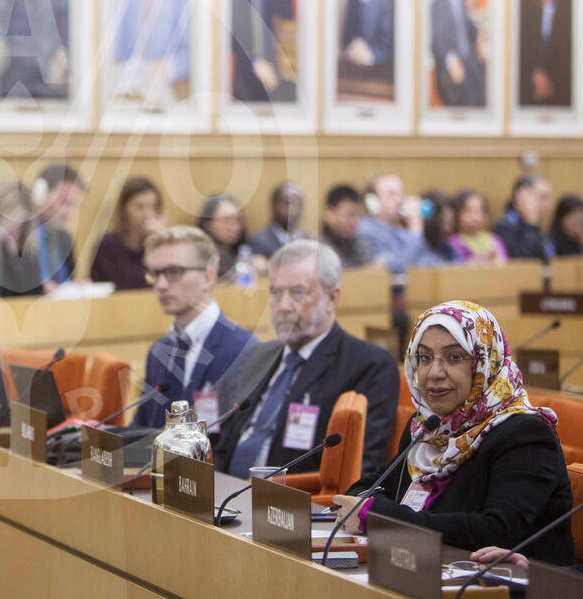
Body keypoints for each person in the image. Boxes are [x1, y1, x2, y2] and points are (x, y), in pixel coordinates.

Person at [332, 301, 574, 566]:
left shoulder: (525, 434)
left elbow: (495, 531)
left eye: (454, 357)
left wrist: (379, 516)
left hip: (511, 582)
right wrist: (372, 509)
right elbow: (365, 489)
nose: (434, 373)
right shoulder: (428, 427)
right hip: (422, 570)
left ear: (485, 362)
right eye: (425, 358)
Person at [213, 240, 399, 477]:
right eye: (275, 292)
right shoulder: (258, 356)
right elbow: (224, 443)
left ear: (332, 298)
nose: (283, 306)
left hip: (292, 495)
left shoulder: (369, 365)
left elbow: (355, 472)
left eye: (298, 293)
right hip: (226, 491)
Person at [132, 227, 255, 429]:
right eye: (155, 273)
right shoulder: (158, 352)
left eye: (174, 272)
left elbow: (236, 438)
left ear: (208, 277)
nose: (161, 285)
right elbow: (140, 429)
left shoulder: (243, 350)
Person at [430, 0, 486, 107]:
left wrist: (479, 35)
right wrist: (452, 61)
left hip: (470, 60)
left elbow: (465, 24)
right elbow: (437, 39)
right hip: (453, 66)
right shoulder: (438, 2)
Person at [89, 177, 165, 290]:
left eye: (152, 206)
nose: (147, 214)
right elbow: (125, 286)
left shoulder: (159, 243)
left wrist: (159, 241)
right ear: (124, 209)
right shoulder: (107, 244)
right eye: (140, 207)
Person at [520, 0, 571, 107]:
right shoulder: (530, 16)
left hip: (559, 93)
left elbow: (568, 59)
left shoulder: (567, 16)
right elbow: (524, 53)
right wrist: (536, 75)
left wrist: (549, 80)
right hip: (532, 92)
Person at [29, 163, 86, 290]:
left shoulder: (65, 238)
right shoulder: (16, 236)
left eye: (73, 206)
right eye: (64, 202)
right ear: (39, 196)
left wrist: (77, 287)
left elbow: (68, 284)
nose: (69, 214)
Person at [356, 174, 425, 274]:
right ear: (372, 202)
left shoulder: (404, 228)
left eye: (400, 194)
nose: (399, 200)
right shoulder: (366, 230)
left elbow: (425, 263)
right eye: (391, 195)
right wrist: (415, 228)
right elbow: (398, 267)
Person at [493, 175, 555, 261]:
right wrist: (531, 223)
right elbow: (523, 261)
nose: (549, 205)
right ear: (522, 197)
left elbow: (550, 258)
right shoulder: (504, 226)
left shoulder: (543, 223)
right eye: (543, 197)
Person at [319, 184, 375, 270]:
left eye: (358, 215)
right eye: (349, 215)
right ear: (329, 214)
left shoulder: (361, 247)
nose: (354, 222)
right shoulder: (317, 250)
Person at [197, 194, 252, 281]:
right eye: (226, 220)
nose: (234, 226)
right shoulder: (200, 256)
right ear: (208, 223)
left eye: (238, 220)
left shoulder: (244, 250)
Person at [248, 182, 306, 259]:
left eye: (298, 204)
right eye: (287, 203)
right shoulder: (259, 241)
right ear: (273, 205)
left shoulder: (306, 240)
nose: (293, 210)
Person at [449, 190, 508, 264]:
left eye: (480, 210)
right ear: (457, 213)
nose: (476, 216)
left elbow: (505, 262)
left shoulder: (494, 239)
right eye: (469, 210)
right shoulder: (452, 242)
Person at [414, 191, 461, 266]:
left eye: (451, 222)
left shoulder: (447, 248)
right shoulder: (418, 247)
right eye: (444, 221)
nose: (447, 232)